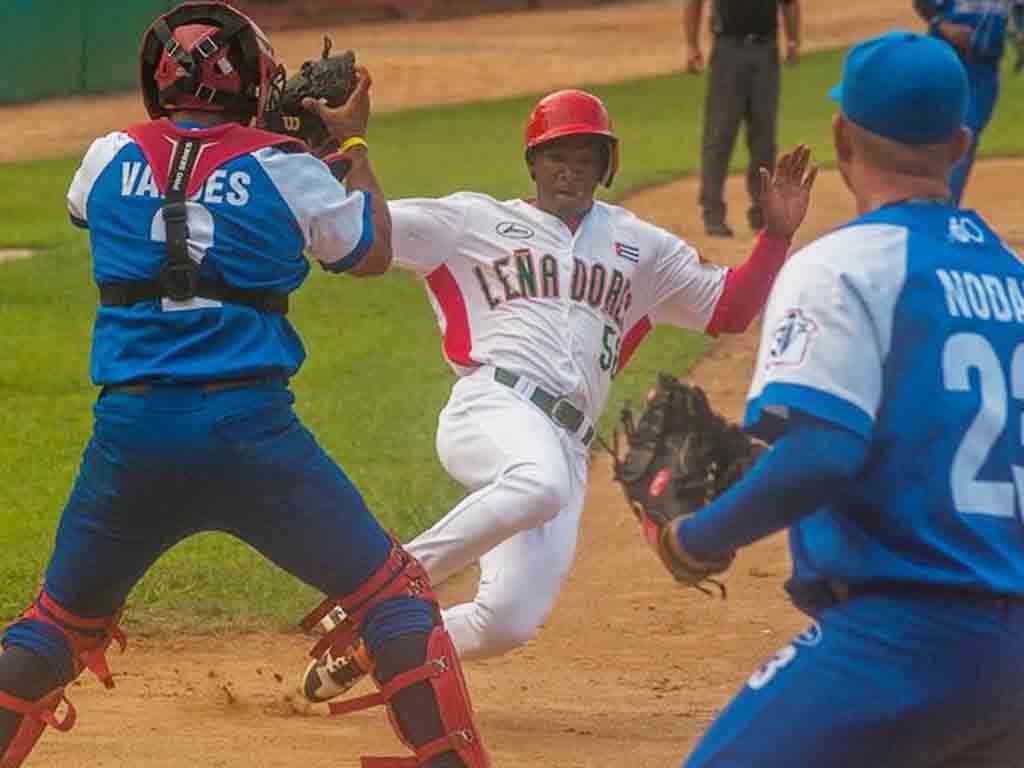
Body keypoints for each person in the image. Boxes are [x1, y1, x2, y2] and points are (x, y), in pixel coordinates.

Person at [0, 4, 489, 768]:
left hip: (130, 440)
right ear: (254, 78)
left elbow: (111, 205)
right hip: (252, 435)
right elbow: (367, 252)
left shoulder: (103, 156)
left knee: (55, 625)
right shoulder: (287, 167)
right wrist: (345, 145)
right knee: (393, 600)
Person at [300, 88, 817, 704]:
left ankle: (368, 649)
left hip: (568, 446)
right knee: (535, 482)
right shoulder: (473, 222)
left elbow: (728, 309)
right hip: (491, 407)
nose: (569, 169)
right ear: (533, 164)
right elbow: (365, 231)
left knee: (508, 621)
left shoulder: (641, 248)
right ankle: (376, 588)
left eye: (584, 156)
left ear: (606, 166)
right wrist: (349, 151)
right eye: (555, 157)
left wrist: (777, 238)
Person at [658, 30, 1024, 767]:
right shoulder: (1014, 277)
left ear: (840, 136)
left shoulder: (843, 266)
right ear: (959, 142)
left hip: (906, 638)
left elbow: (822, 454)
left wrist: (694, 540)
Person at [684, 0, 802, 238]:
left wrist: (792, 40)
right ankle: (713, 213)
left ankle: (762, 214)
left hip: (766, 49)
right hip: (728, 48)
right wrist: (691, 45)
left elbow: (790, 3)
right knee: (719, 135)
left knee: (764, 138)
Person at [914, 0, 1024, 205]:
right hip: (946, 59)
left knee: (967, 137)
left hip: (985, 70)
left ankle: (946, 205)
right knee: (937, 134)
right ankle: (926, 204)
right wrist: (945, 26)